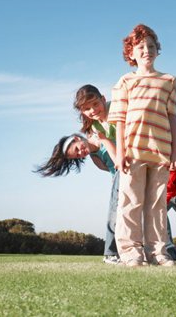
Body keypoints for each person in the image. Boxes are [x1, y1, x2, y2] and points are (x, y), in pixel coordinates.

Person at [107, 23, 176, 267]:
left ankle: (158, 252)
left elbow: (172, 117)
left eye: (151, 46)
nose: (146, 50)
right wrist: (120, 154)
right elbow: (119, 120)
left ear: (157, 50)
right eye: (140, 47)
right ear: (131, 53)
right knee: (131, 202)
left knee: (157, 205)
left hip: (161, 151)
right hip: (133, 151)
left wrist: (175, 149)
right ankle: (130, 252)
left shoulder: (169, 80)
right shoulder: (125, 81)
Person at [73, 84, 119, 265]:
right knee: (119, 211)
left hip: (130, 163)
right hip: (119, 171)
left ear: (103, 99)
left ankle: (164, 247)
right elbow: (106, 167)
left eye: (95, 105)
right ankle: (112, 252)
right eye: (86, 109)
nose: (92, 110)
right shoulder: (96, 128)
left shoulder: (113, 114)